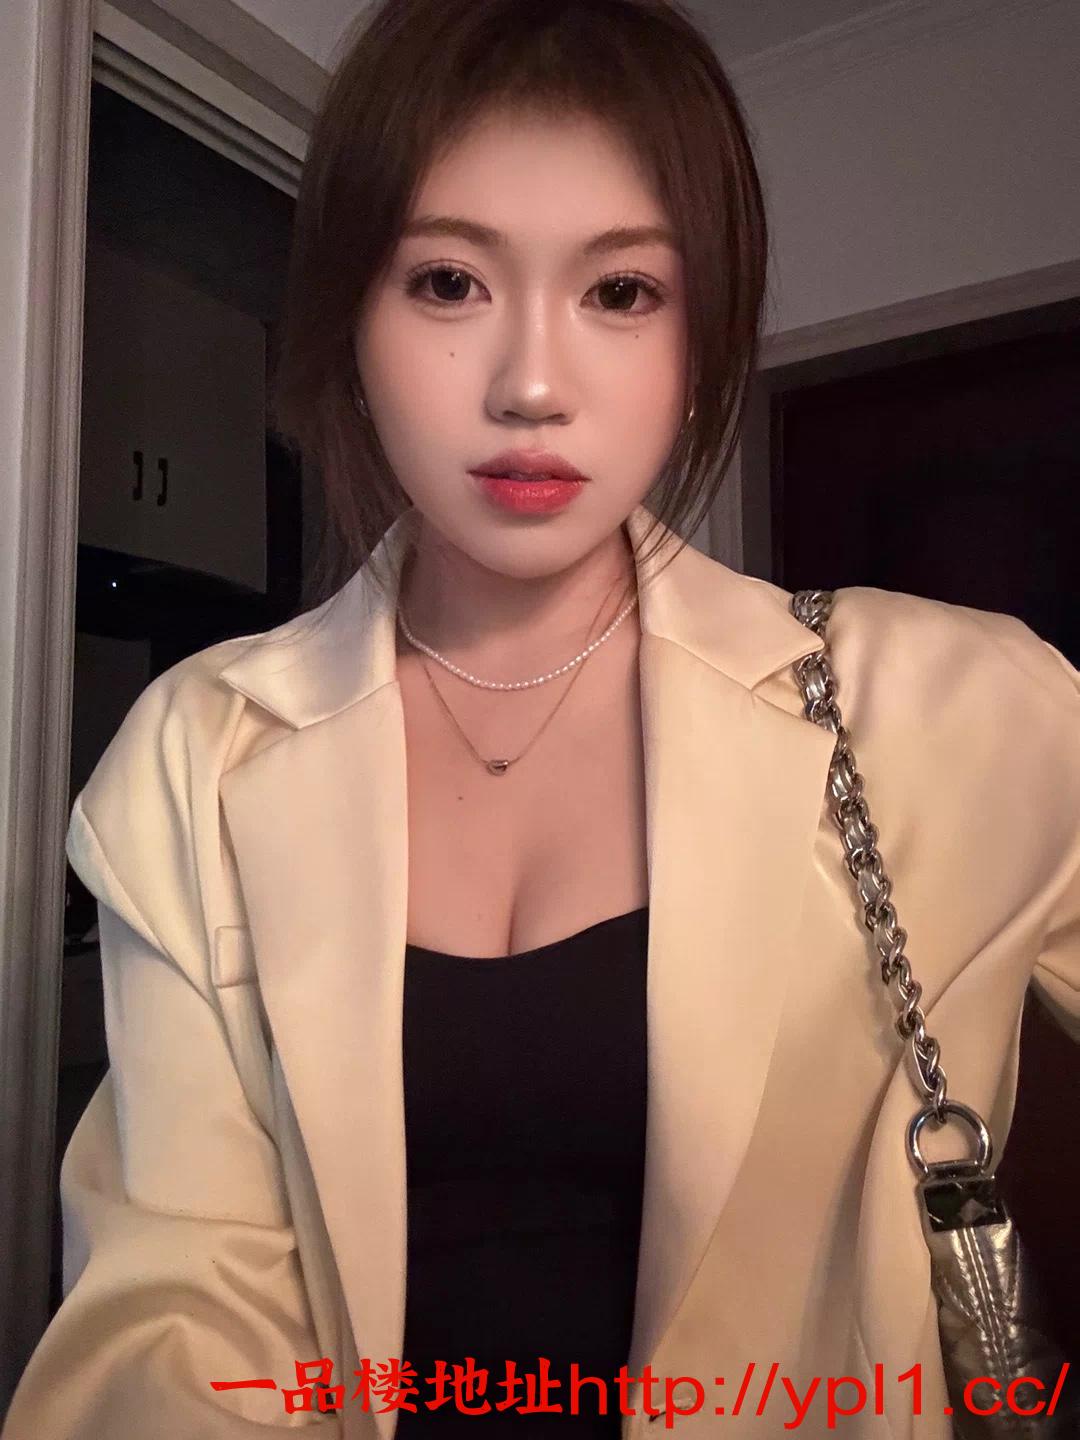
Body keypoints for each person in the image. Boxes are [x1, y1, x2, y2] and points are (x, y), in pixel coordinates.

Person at [4, 1, 1078, 1437]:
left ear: (701, 337)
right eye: (448, 281)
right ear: (350, 318)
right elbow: (172, 1314)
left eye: (621, 292)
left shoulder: (958, 711)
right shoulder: (195, 755)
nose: (529, 384)